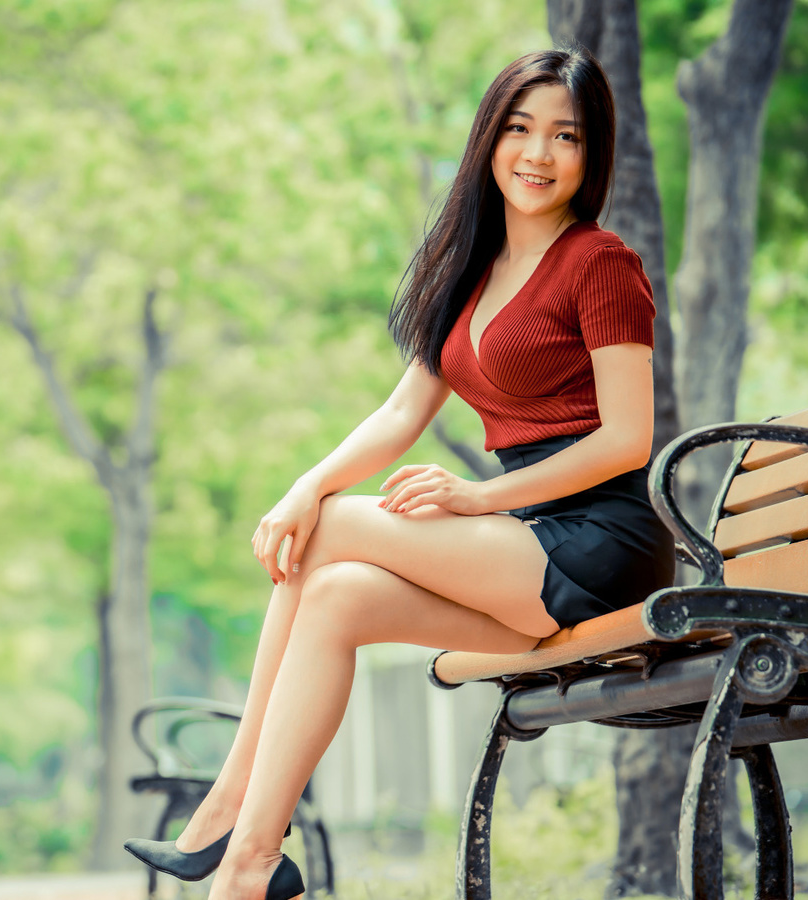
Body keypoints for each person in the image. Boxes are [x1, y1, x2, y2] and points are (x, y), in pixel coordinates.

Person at [124, 44, 675, 900]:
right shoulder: (470, 271)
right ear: (490, 137)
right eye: (520, 129)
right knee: (336, 591)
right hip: (524, 552)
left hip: (597, 542)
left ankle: (226, 802)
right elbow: (399, 414)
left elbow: (628, 441)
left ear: (590, 153)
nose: (537, 154)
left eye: (564, 137)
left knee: (336, 526)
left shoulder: (601, 264)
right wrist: (302, 484)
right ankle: (250, 865)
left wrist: (477, 495)